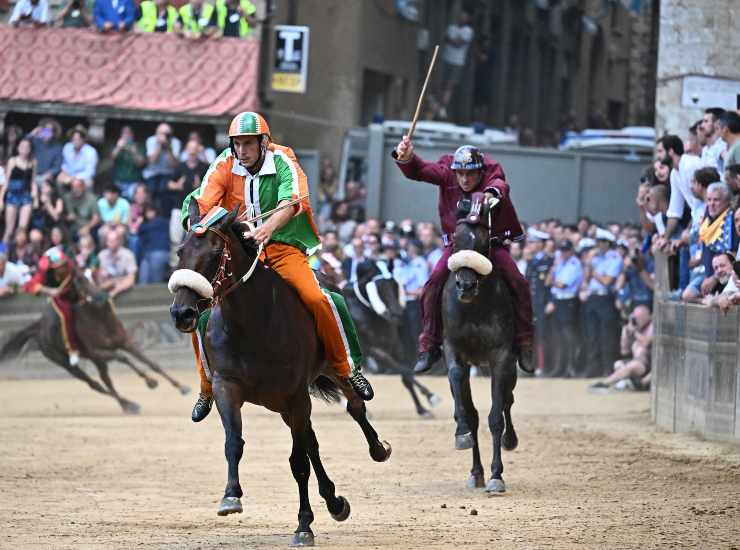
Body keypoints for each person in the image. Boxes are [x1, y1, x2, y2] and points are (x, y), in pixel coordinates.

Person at [180, 111, 374, 422]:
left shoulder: (283, 159)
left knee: (318, 298)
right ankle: (206, 386)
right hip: (240, 252)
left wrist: (268, 228)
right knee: (200, 301)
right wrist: (196, 224)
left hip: (282, 247)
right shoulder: (224, 163)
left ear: (264, 142)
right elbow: (202, 201)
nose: (242, 151)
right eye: (237, 144)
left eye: (248, 144)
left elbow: (292, 202)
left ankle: (346, 369)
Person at [392, 136, 534, 374]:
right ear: (454, 171)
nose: (465, 179)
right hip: (455, 247)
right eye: (460, 174)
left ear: (480, 171)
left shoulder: (491, 174)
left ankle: (525, 342)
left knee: (519, 282)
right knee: (432, 284)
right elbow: (419, 170)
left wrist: (491, 195)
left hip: (490, 245)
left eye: (470, 174)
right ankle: (429, 345)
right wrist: (405, 157)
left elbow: (500, 184)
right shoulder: (446, 173)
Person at [24, 247, 81, 366]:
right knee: (66, 314)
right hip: (59, 296)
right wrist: (49, 291)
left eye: (63, 264)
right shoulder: (44, 272)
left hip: (73, 290)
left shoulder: (69, 264)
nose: (62, 268)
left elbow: (78, 275)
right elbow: (30, 286)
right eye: (58, 267)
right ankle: (72, 350)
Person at [580, 228, 623, 378]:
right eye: (597, 242)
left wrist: (594, 272)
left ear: (607, 243)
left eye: (600, 242)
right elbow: (585, 280)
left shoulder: (615, 258)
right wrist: (588, 265)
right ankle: (593, 368)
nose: (597, 245)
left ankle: (607, 369)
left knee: (607, 335)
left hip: (606, 298)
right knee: (592, 335)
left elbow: (607, 281)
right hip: (592, 297)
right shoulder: (595, 258)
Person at [590, 305, 653, 392]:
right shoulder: (634, 328)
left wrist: (634, 332)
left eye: (640, 317)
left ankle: (605, 383)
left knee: (632, 365)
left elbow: (646, 342)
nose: (638, 320)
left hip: (647, 364)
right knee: (618, 364)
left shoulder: (651, 326)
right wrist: (625, 332)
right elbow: (624, 351)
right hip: (636, 361)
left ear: (647, 316)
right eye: (636, 317)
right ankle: (626, 384)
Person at [545, 239, 583, 378]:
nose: (563, 253)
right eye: (561, 251)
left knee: (569, 337)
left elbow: (562, 284)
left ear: (571, 251)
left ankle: (571, 367)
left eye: (566, 251)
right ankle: (559, 367)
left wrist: (554, 280)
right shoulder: (560, 263)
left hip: (568, 302)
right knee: (558, 337)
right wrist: (554, 269)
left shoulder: (574, 263)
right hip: (558, 301)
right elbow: (548, 281)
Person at [1, 138, 38, 245]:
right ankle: (1, 255)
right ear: (18, 148)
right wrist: (1, 199)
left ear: (30, 149)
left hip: (26, 196)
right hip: (12, 195)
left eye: (27, 147)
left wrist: (35, 197)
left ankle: (18, 257)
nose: (24, 149)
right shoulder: (12, 161)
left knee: (22, 230)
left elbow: (33, 181)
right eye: (22, 146)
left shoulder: (33, 162)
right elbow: (6, 182)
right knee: (9, 230)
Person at [440, 11, 474, 117]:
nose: (461, 19)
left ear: (467, 20)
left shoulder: (468, 31)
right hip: (446, 58)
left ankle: (443, 106)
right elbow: (446, 38)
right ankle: (439, 103)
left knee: (450, 85)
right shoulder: (451, 27)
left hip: (458, 61)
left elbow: (459, 43)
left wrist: (452, 40)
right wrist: (453, 40)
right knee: (442, 82)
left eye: (464, 18)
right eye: (460, 17)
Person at [143, 123, 181, 205]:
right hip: (152, 173)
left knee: (165, 191)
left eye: (167, 134)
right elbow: (152, 161)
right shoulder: (151, 140)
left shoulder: (175, 142)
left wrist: (168, 148)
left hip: (168, 173)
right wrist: (159, 146)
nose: (165, 136)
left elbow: (174, 164)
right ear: (157, 133)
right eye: (162, 133)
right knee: (151, 190)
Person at [97, 230, 137, 298]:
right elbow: (98, 279)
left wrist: (115, 290)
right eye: (109, 241)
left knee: (128, 280)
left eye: (113, 241)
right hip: (106, 285)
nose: (111, 243)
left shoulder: (128, 255)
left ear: (119, 241)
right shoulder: (101, 255)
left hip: (123, 287)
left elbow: (131, 278)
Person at [110, 126, 146, 199]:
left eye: (128, 133)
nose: (126, 136)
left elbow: (141, 163)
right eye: (124, 133)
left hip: (134, 182)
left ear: (132, 135)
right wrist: (118, 147)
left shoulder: (138, 147)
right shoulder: (117, 146)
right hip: (118, 181)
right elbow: (111, 159)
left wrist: (134, 152)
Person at [57, 125, 98, 190]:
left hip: (83, 178)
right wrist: (64, 173)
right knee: (59, 179)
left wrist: (75, 178)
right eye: (74, 139)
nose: (75, 141)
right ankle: (62, 199)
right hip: (69, 176)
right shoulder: (67, 147)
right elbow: (64, 164)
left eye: (78, 139)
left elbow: (90, 172)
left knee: (87, 183)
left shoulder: (91, 151)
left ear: (83, 139)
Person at [28, 118, 63, 185]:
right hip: (31, 175)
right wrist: (33, 132)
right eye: (45, 130)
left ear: (53, 133)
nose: (47, 133)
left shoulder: (58, 147)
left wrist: (50, 173)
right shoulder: (35, 141)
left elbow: (58, 166)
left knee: (46, 188)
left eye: (50, 131)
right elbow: (23, 143)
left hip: (46, 178)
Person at [700, 107, 726, 172]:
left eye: (706, 121)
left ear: (717, 123)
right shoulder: (705, 149)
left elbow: (732, 161)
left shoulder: (722, 146)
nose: (702, 125)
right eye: (703, 121)